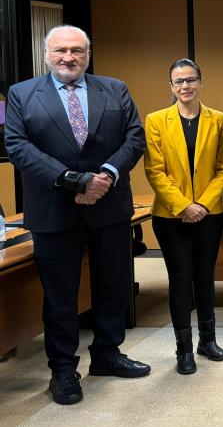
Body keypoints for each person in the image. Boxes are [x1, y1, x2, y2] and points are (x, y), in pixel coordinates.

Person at [3, 25, 147, 405]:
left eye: (78, 51)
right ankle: (63, 370)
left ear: (88, 53)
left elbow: (135, 138)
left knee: (113, 286)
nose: (69, 57)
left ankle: (107, 354)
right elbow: (18, 146)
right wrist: (74, 181)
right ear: (47, 54)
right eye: (61, 50)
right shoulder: (22, 94)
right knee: (60, 296)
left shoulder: (114, 89)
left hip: (110, 206)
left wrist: (106, 176)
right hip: (54, 210)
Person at [143, 59, 223, 374]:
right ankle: (184, 349)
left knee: (205, 276)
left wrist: (204, 204)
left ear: (200, 82)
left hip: (210, 214)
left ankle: (207, 341)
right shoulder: (155, 121)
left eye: (191, 79)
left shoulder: (219, 120)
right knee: (181, 279)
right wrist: (184, 206)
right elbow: (154, 171)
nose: (185, 86)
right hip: (171, 215)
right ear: (171, 86)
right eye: (179, 81)